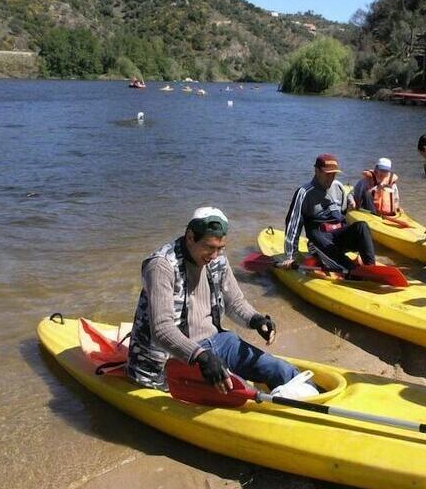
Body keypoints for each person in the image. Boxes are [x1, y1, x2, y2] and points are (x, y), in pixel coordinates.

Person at [127, 207, 299, 394]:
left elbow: (235, 302)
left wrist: (257, 320)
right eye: (209, 247)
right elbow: (161, 329)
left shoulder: (218, 261)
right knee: (242, 391)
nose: (215, 255)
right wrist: (201, 356)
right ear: (191, 237)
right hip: (173, 357)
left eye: (220, 248)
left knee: (280, 370)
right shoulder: (161, 266)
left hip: (217, 342)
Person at [281, 153, 375, 273]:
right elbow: (293, 226)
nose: (331, 178)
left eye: (334, 174)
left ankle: (371, 268)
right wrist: (290, 256)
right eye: (327, 174)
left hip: (338, 239)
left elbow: (344, 216)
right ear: (317, 171)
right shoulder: (304, 193)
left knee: (362, 226)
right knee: (315, 234)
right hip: (319, 243)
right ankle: (351, 269)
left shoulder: (339, 187)